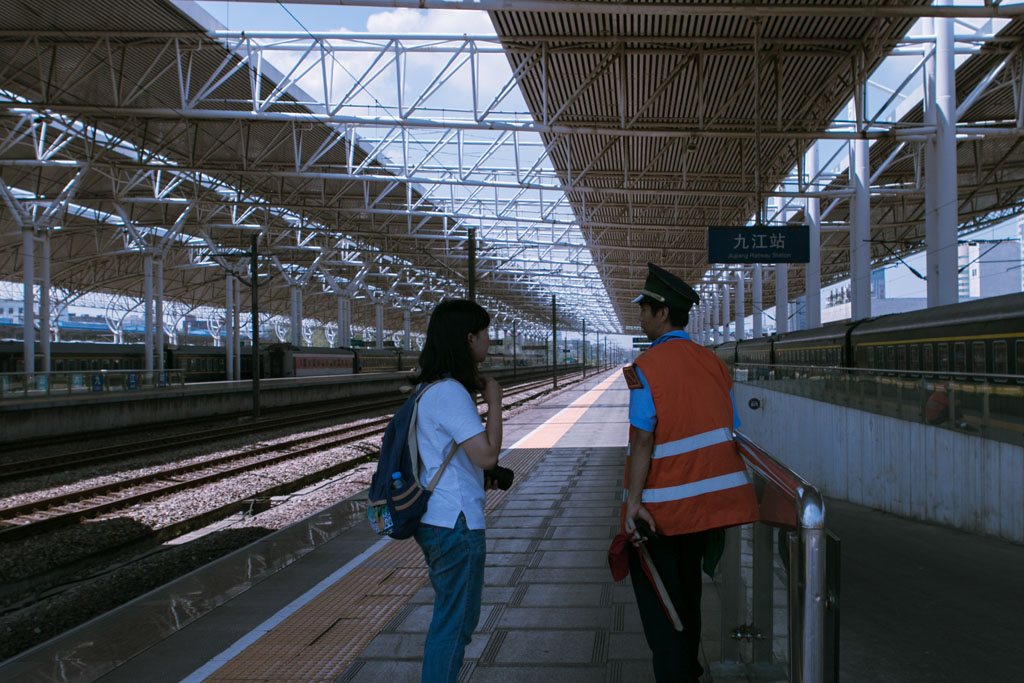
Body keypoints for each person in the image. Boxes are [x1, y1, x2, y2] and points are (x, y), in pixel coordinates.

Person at [620, 263, 759, 683]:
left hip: (662, 512)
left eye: (644, 309)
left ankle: (676, 675)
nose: (640, 316)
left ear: (663, 312)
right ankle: (690, 671)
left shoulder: (646, 367)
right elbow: (728, 425)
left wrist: (632, 504)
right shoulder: (714, 364)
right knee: (689, 594)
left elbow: (642, 438)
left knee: (663, 605)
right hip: (708, 509)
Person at [411, 299, 503, 683]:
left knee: (451, 621)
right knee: (454, 627)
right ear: (469, 339)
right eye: (485, 333)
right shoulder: (450, 392)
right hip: (456, 523)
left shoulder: (430, 388)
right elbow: (486, 454)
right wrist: (495, 401)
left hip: (438, 518)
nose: (488, 340)